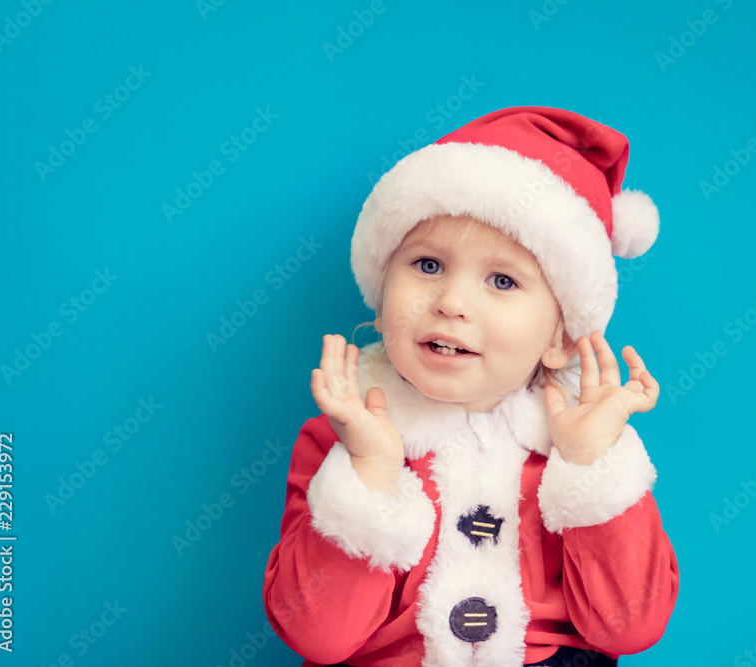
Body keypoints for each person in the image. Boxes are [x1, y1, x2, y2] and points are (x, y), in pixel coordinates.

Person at [263, 106, 679, 667]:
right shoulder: (342, 437)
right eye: (428, 265)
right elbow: (318, 636)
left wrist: (590, 462)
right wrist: (372, 472)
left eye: (503, 280)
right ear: (382, 300)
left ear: (561, 337)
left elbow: (630, 627)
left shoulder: (581, 446)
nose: (452, 303)